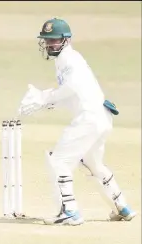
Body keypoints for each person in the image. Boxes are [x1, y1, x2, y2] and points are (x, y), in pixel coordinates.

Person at [18, 18, 136, 225]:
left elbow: (71, 89)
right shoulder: (65, 59)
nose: (49, 44)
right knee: (93, 163)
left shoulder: (69, 58)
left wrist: (44, 97)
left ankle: (70, 212)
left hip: (89, 119)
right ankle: (122, 207)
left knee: (59, 161)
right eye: (46, 40)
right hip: (100, 116)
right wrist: (46, 103)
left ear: (67, 40)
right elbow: (75, 94)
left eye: (54, 40)